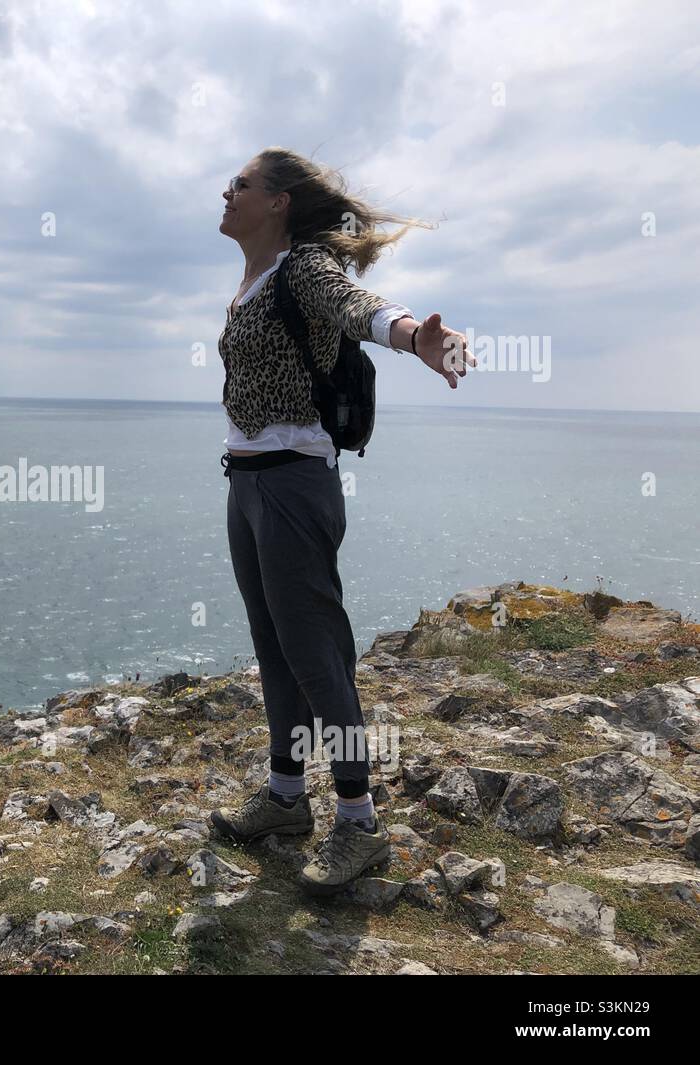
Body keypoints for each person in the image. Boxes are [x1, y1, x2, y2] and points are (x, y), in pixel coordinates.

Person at [208, 147, 474, 895]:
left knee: (316, 652)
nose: (227, 191)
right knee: (275, 646)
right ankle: (287, 798)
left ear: (279, 202)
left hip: (294, 487)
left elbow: (357, 307)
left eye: (242, 183)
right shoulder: (251, 279)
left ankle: (358, 823)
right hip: (248, 482)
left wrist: (414, 333)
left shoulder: (302, 268)